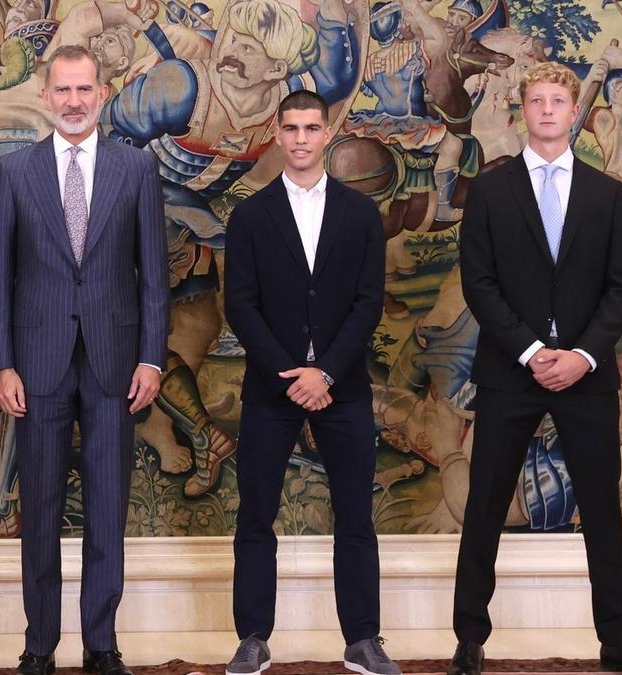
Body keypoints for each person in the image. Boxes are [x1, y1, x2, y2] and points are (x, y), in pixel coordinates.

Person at [450, 62, 622, 675]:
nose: (547, 110)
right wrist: (529, 352)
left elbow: (619, 290)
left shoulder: (603, 192)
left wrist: (582, 356)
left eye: (557, 101)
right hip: (509, 373)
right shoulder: (490, 189)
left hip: (586, 375)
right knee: (486, 504)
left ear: (574, 113)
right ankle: (469, 638)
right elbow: (479, 282)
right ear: (523, 111)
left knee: (601, 505)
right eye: (537, 100)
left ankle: (617, 639)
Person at [0, 45, 169, 675]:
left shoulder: (137, 170)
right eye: (62, 90)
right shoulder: (15, 171)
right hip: (36, 365)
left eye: (84, 90)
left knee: (106, 510)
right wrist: (2, 364)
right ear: (46, 94)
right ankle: (39, 645)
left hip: (116, 363)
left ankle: (101, 643)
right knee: (37, 508)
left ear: (102, 92)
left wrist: (152, 358)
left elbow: (153, 278)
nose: (73, 101)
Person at [222, 90, 395, 675]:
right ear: (277, 132)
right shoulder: (249, 214)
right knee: (255, 514)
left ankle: (363, 640)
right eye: (291, 128)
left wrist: (325, 372)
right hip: (272, 388)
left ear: (328, 133)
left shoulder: (359, 213)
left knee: (355, 516)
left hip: (341, 385)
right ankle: (252, 638)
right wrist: (290, 375)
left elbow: (369, 303)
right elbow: (240, 306)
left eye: (311, 128)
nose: (300, 138)